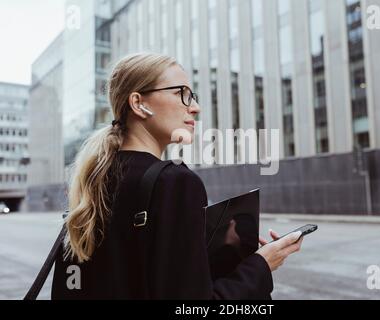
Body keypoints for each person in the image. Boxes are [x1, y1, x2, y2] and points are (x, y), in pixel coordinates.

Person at [51, 52, 303, 300]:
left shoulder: (91, 180)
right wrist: (260, 265)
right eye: (181, 93)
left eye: (192, 96)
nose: (195, 107)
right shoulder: (175, 183)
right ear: (139, 103)